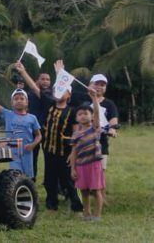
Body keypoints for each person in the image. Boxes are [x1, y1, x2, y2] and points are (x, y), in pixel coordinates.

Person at [19, 60, 83, 211]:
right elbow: (35, 88)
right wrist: (23, 72)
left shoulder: (73, 111)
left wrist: (74, 152)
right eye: (57, 90)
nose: (59, 92)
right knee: (49, 179)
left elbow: (76, 133)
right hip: (49, 150)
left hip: (65, 151)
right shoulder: (49, 103)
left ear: (69, 95)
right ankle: (51, 203)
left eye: (63, 90)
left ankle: (76, 204)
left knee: (67, 179)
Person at [0, 80, 42, 178]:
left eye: (22, 98)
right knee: (16, 175)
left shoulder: (32, 118)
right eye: (16, 99)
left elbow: (38, 135)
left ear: (27, 102)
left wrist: (33, 145)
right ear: (12, 103)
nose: (19, 100)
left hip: (27, 152)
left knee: (27, 177)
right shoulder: (8, 114)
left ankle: (27, 191)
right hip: (13, 152)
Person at [70, 89, 105, 221]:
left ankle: (97, 216)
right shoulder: (75, 134)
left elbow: (96, 111)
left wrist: (94, 98)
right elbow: (73, 153)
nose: (83, 116)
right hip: (80, 166)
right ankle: (87, 213)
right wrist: (73, 168)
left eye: (86, 113)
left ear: (92, 117)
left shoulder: (95, 128)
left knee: (96, 190)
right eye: (80, 114)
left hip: (94, 165)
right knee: (84, 191)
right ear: (76, 118)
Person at [13, 62, 52, 180]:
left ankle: (50, 182)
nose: (45, 81)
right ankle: (30, 178)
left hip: (48, 130)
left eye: (48, 79)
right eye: (43, 79)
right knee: (31, 156)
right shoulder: (28, 95)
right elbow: (18, 104)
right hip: (32, 129)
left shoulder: (51, 95)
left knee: (49, 158)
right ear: (37, 81)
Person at [86, 74, 118, 172]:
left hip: (101, 141)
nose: (99, 87)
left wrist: (112, 129)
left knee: (100, 171)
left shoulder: (109, 104)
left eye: (102, 85)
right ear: (90, 85)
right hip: (83, 141)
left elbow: (113, 121)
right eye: (96, 84)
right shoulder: (82, 100)